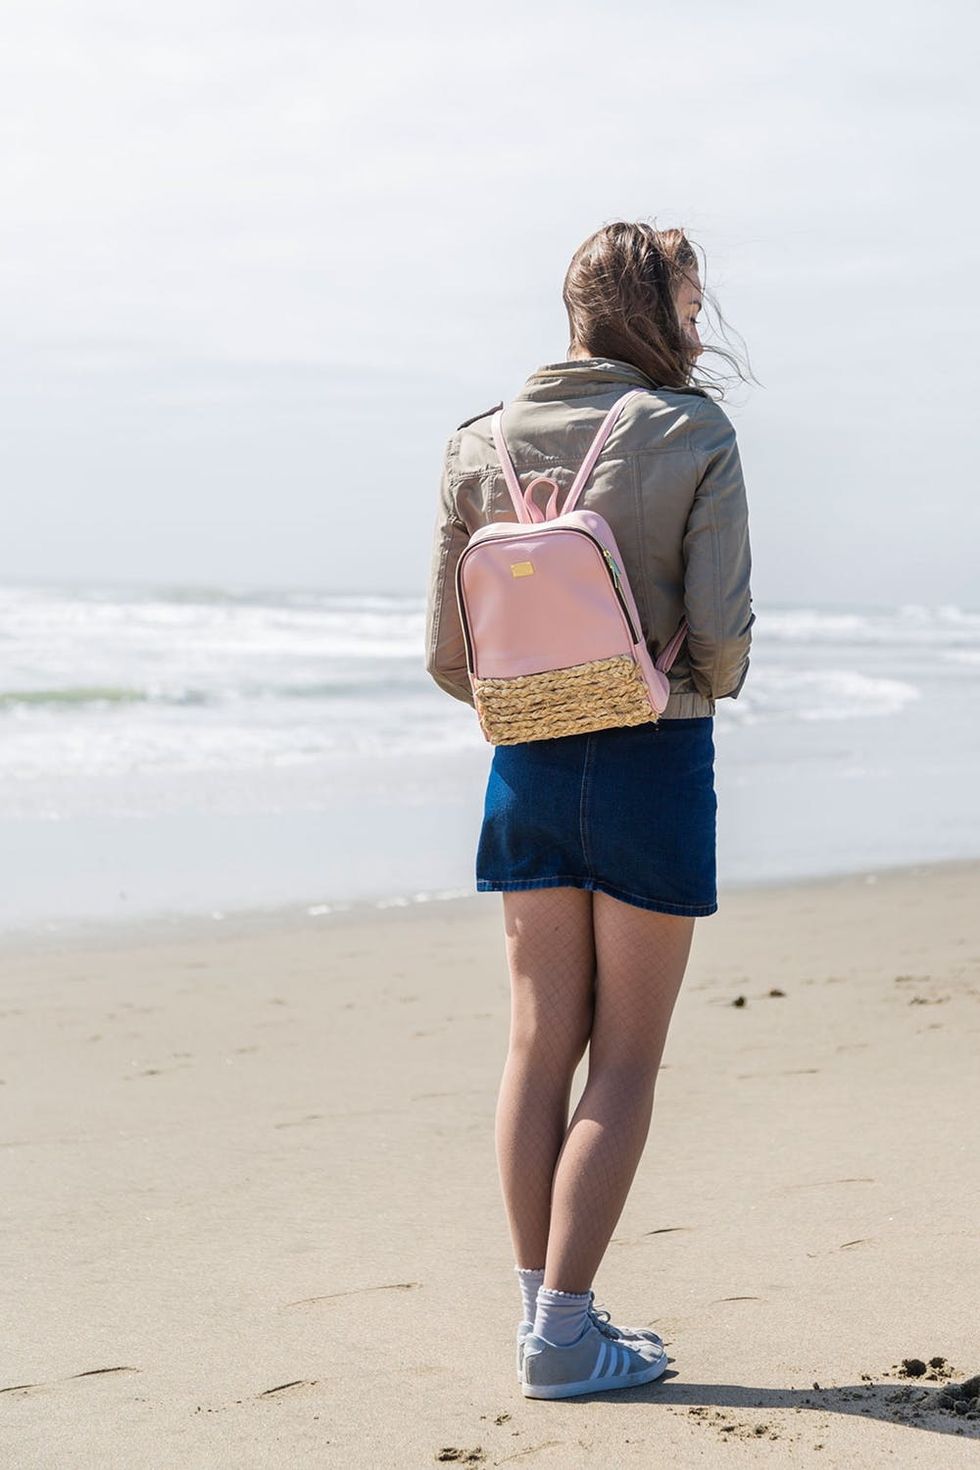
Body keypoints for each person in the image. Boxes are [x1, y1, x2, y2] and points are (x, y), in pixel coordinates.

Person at [423, 220, 754, 1399]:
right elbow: (719, 636)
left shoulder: (476, 441)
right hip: (651, 760)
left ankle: (541, 1316)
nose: (697, 333)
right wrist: (674, 678)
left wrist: (546, 687)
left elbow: (450, 657)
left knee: (537, 1043)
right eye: (687, 309)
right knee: (624, 1055)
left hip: (525, 762)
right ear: (647, 313)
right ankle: (565, 1336)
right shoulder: (690, 430)